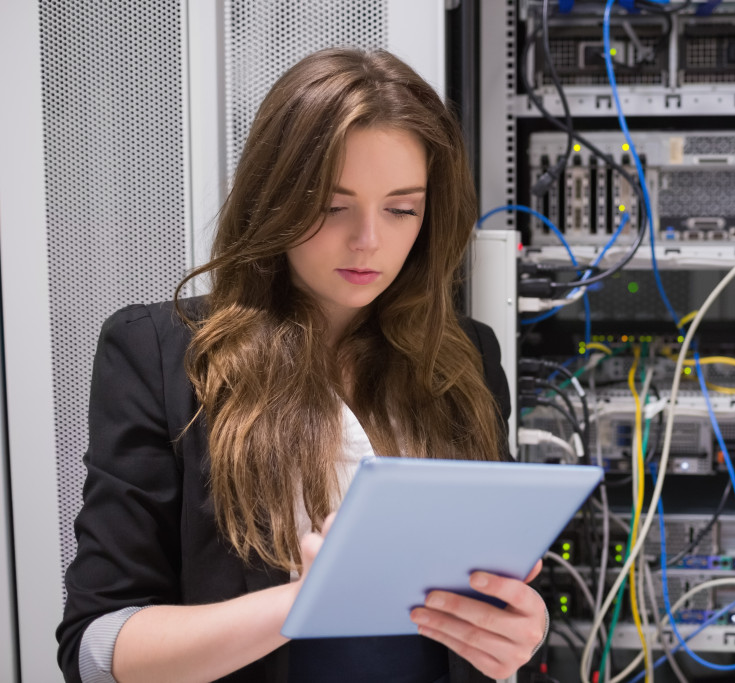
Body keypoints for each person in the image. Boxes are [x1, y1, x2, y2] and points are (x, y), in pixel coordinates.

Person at [56, 47, 547, 683]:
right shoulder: (158, 355)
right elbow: (96, 649)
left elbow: (492, 595)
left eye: (402, 209)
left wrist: (520, 627)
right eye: (333, 206)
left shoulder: (464, 358)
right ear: (275, 198)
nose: (368, 239)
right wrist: (304, 604)